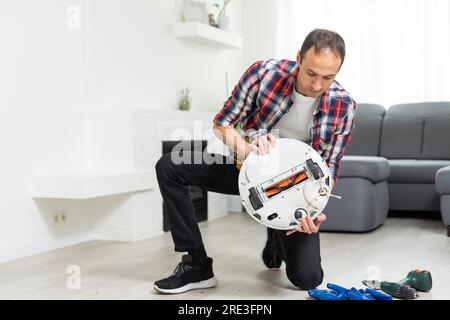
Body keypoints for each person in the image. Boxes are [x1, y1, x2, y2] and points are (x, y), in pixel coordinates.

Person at [153, 29, 357, 294]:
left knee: (307, 280)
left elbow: (329, 169)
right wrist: (247, 149)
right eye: (311, 74)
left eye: (328, 77)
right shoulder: (264, 73)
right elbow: (222, 123)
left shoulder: (345, 106)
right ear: (298, 59)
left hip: (292, 190)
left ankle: (276, 235)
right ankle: (196, 266)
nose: (317, 85)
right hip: (245, 170)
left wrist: (313, 211)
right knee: (170, 165)